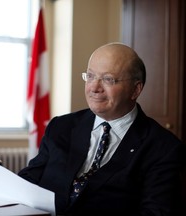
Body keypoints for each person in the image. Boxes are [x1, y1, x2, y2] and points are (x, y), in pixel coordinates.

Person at [18, 42, 186, 216]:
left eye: (108, 79)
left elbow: (155, 212)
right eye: (90, 76)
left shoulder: (163, 147)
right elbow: (29, 180)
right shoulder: (61, 127)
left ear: (135, 89)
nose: (94, 88)